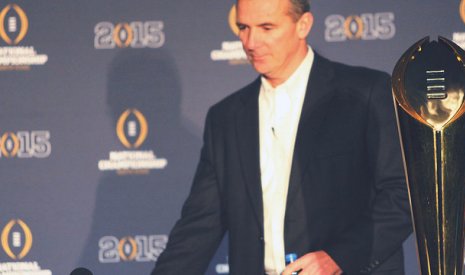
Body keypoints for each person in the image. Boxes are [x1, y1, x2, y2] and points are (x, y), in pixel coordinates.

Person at [151, 0, 412, 274]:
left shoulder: (365, 93)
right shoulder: (225, 118)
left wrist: (339, 258)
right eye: (243, 27)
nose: (251, 42)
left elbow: (402, 195)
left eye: (266, 27)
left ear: (303, 25)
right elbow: (197, 229)